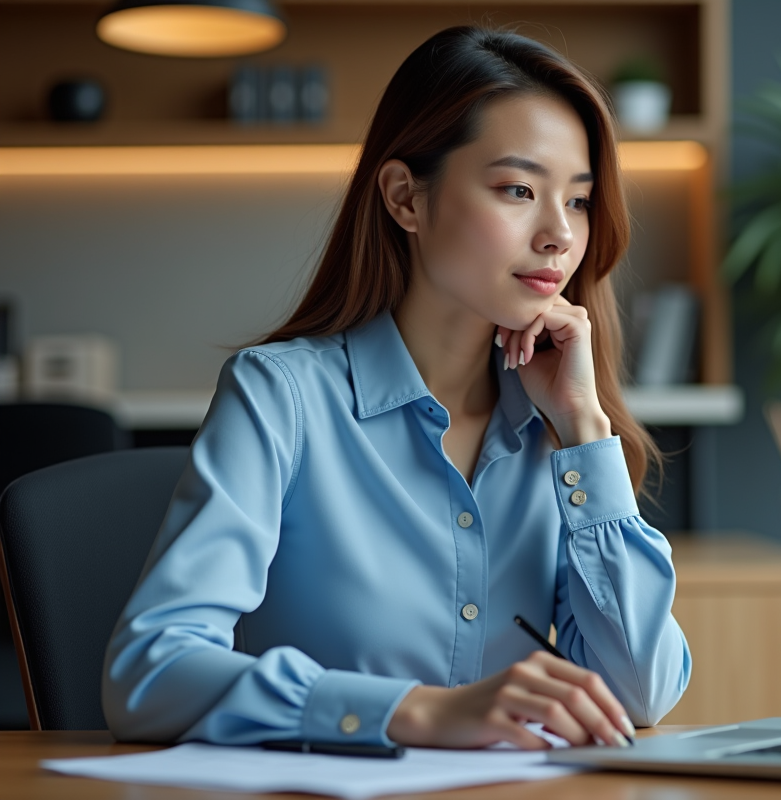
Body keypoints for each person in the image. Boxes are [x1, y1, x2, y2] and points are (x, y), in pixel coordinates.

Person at [102, 26, 691, 751]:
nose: (558, 236)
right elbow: (146, 673)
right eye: (517, 190)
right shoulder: (280, 398)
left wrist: (584, 430)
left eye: (576, 200)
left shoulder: (560, 436)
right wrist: (414, 711)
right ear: (406, 198)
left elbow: (640, 696)